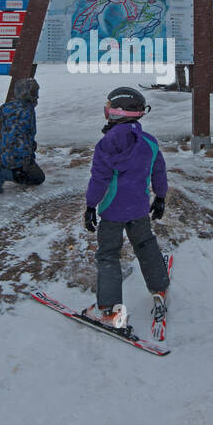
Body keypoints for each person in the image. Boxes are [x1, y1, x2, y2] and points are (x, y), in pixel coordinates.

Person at [83, 87, 170, 330]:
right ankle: (159, 285)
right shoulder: (149, 142)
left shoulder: (105, 145)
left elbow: (99, 179)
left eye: (109, 104)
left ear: (117, 111)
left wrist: (91, 205)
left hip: (112, 211)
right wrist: (160, 197)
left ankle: (109, 309)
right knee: (145, 244)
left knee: (108, 254)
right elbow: (159, 172)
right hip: (139, 208)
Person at [0, 77, 45, 193]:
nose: (37, 97)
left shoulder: (10, 108)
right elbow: (19, 138)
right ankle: (5, 173)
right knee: (38, 178)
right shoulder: (26, 112)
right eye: (34, 93)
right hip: (17, 158)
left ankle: (6, 169)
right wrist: (26, 161)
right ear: (27, 93)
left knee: (34, 174)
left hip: (5, 155)